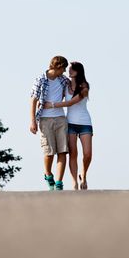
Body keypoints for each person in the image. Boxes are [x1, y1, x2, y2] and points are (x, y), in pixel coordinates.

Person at [44, 62, 93, 190]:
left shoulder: (84, 86)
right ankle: (74, 182)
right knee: (73, 153)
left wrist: (52, 105)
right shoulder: (65, 83)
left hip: (85, 123)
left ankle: (84, 174)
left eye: (71, 69)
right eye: (68, 69)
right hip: (69, 123)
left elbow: (71, 102)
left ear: (78, 72)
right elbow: (53, 80)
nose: (68, 71)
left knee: (87, 154)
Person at [30, 56, 69, 191]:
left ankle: (59, 183)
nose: (64, 71)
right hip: (45, 119)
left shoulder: (63, 80)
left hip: (61, 119)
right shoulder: (41, 79)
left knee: (63, 151)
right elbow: (33, 100)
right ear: (58, 67)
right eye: (64, 68)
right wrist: (32, 121)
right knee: (49, 152)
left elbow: (72, 88)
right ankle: (48, 174)